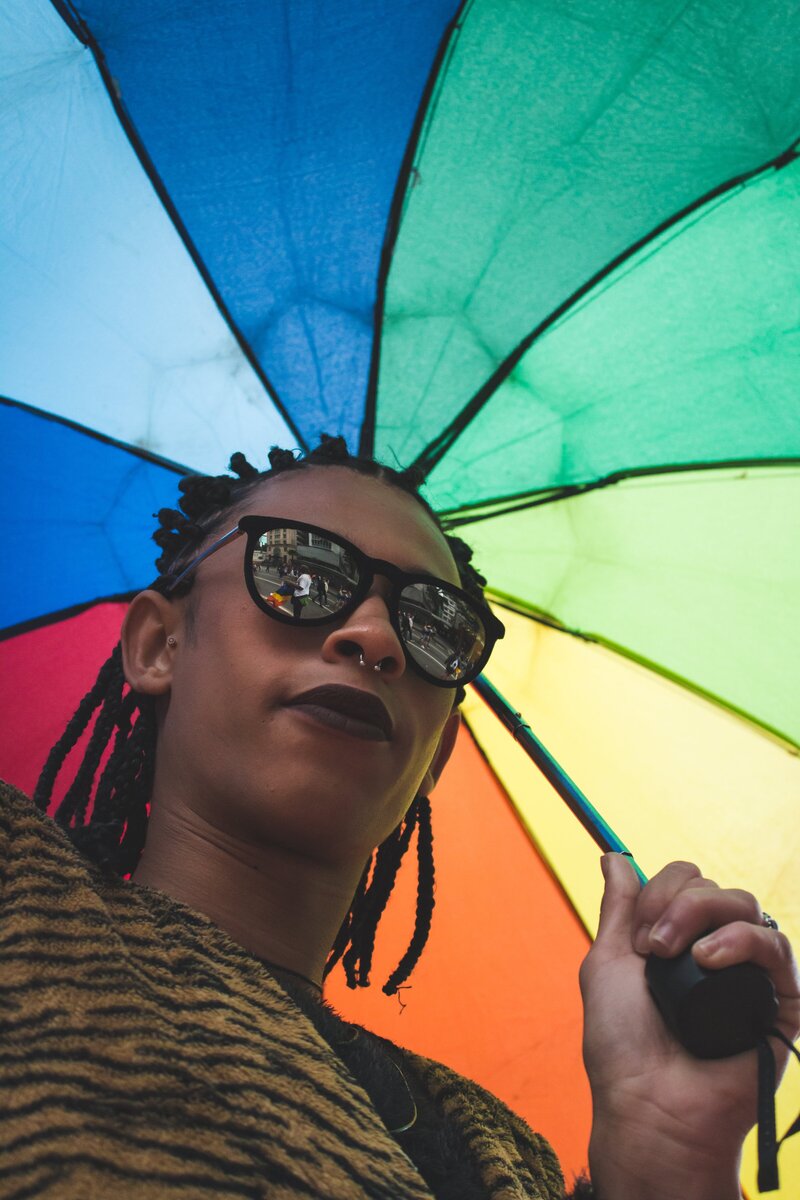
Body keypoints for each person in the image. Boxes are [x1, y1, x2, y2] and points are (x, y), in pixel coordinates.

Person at [3, 436, 797, 1200]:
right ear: (158, 645)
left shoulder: (503, 1157)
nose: (377, 638)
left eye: (436, 625)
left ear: (438, 752)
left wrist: (667, 1162)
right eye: (301, 571)